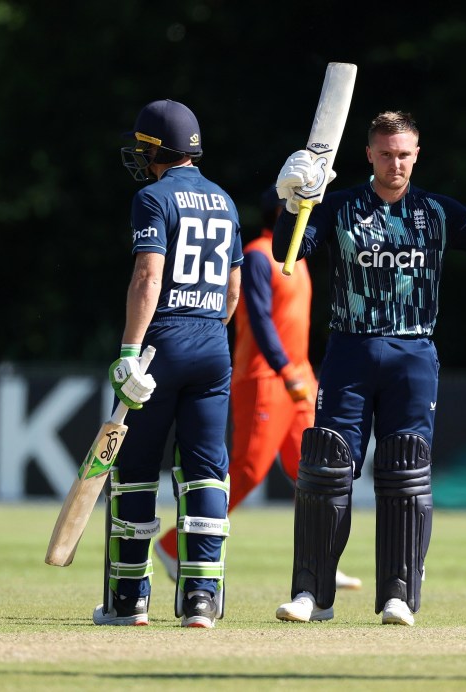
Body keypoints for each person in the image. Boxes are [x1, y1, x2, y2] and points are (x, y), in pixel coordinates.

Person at [270, 85, 466, 626]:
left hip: (413, 355)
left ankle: (398, 596)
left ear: (417, 154)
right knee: (327, 468)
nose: (395, 163)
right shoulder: (337, 207)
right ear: (368, 154)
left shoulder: (436, 211)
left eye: (404, 154)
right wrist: (293, 202)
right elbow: (289, 252)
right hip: (350, 351)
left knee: (406, 471)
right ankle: (312, 594)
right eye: (385, 153)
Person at [153, 187, 361, 591]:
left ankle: (321, 562)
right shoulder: (257, 255)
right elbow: (261, 322)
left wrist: (299, 374)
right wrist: (286, 370)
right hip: (266, 380)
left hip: (297, 380)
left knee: (319, 474)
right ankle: (172, 546)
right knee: (247, 470)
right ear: (284, 211)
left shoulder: (294, 257)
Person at [93, 99, 243, 629]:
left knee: (135, 473)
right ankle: (201, 599)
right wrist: (206, 335)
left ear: (157, 149)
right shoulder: (225, 201)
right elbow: (232, 291)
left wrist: (130, 351)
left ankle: (130, 601)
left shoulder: (152, 197)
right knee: (206, 471)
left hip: (161, 345)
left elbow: (147, 278)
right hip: (212, 346)